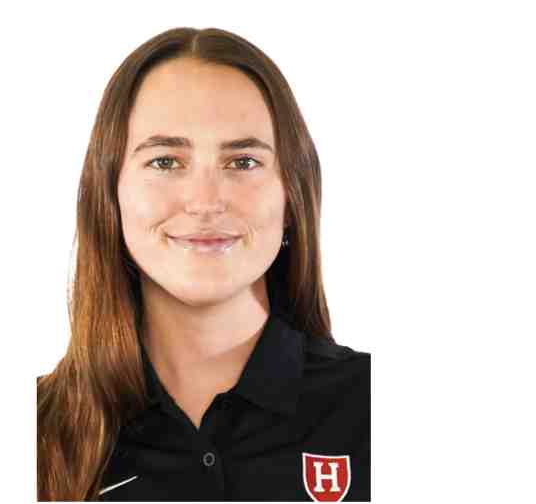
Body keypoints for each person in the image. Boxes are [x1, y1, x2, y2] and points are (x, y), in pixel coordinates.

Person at [37, 26, 371, 502]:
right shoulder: (37, 432)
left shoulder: (372, 408)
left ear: (292, 196)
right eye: (166, 162)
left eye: (243, 162)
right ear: (110, 193)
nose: (205, 202)